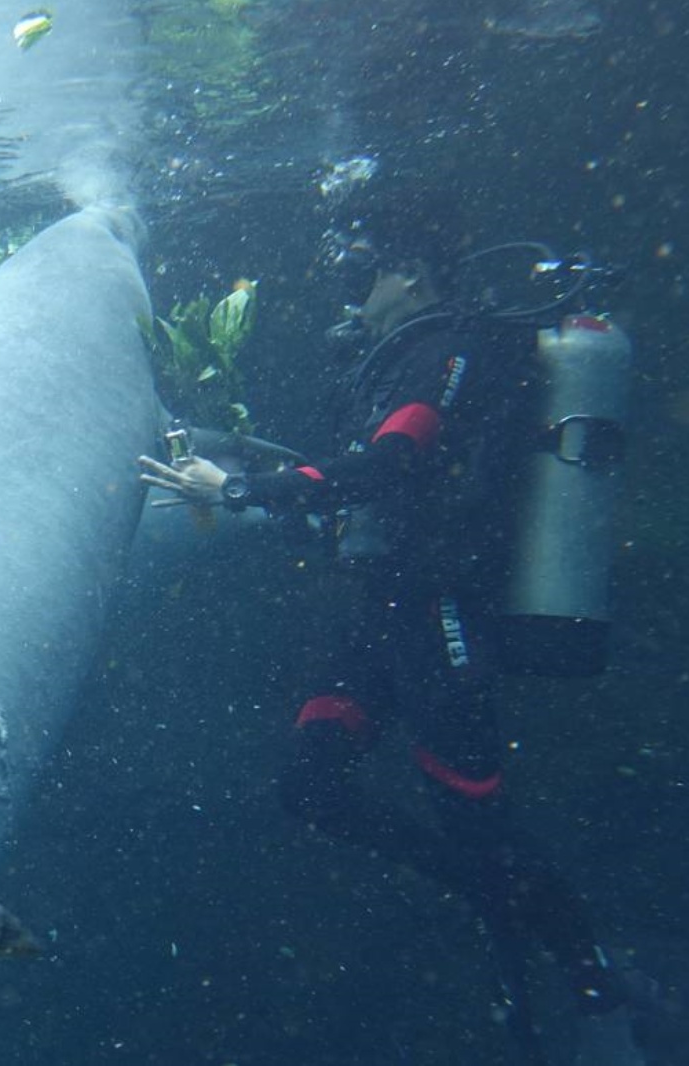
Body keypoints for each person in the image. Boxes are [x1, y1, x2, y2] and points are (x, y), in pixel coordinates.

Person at [137, 191, 660, 1066]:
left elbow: (394, 460)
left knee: (477, 822)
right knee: (313, 786)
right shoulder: (392, 357)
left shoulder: (450, 349)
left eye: (360, 270)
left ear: (411, 275)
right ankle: (491, 898)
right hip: (376, 611)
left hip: (436, 614)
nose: (350, 288)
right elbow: (355, 490)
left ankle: (592, 976)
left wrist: (236, 490)